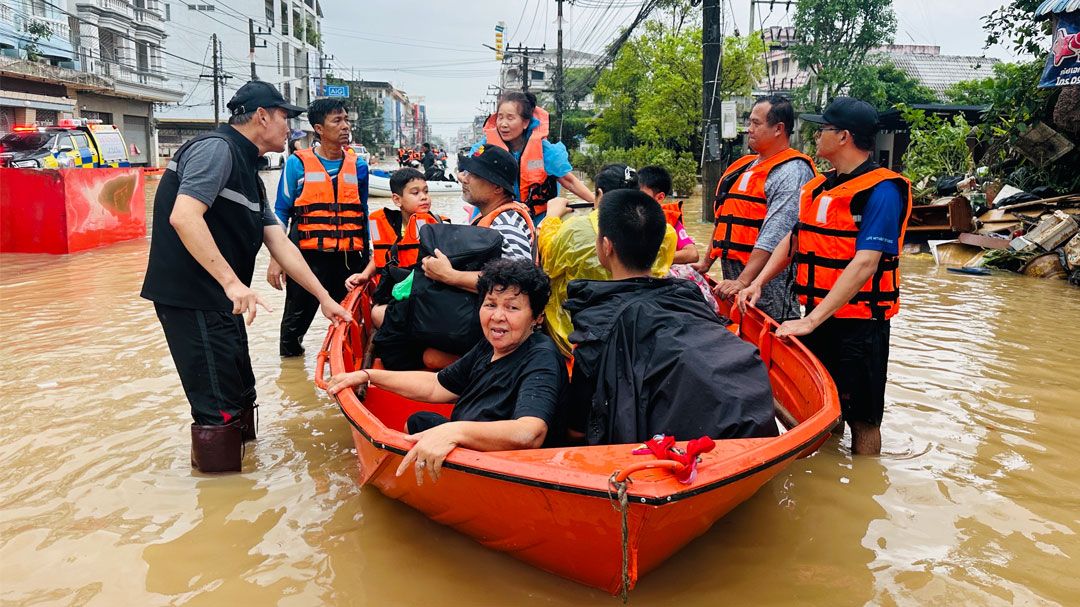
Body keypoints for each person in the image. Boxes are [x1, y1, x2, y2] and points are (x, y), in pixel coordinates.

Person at [141, 80, 352, 473]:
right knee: (218, 407)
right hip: (194, 297)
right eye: (285, 117)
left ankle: (246, 482)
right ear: (262, 117)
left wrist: (325, 298)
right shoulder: (216, 150)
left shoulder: (249, 171)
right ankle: (220, 492)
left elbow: (280, 243)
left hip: (223, 299)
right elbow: (184, 216)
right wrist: (232, 282)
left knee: (241, 392)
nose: (290, 128)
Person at [737, 97, 913, 456]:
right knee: (821, 411)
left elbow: (866, 263)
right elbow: (793, 241)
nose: (817, 136)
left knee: (862, 420)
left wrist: (811, 320)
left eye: (824, 129)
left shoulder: (882, 191)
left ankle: (863, 480)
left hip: (860, 327)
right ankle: (829, 475)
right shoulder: (820, 187)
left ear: (844, 136)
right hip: (817, 319)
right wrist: (757, 282)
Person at [563, 189, 777, 445]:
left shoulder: (597, 324)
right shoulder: (690, 295)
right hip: (747, 426)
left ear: (606, 246)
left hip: (665, 449)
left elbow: (577, 430)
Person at [326, 259, 567, 484]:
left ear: (537, 318)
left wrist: (454, 431)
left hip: (506, 468)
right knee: (419, 421)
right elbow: (436, 386)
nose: (497, 316)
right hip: (470, 440)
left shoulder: (541, 356)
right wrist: (368, 376)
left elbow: (529, 432)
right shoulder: (490, 346)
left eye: (512, 308)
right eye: (490, 304)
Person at [693, 94, 816, 322]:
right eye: (749, 122)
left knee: (770, 330)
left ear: (778, 129)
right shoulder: (744, 167)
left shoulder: (792, 171)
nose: (749, 129)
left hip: (771, 297)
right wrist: (706, 263)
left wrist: (744, 280)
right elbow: (723, 219)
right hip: (737, 287)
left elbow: (775, 234)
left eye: (756, 123)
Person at [539, 164, 678, 358]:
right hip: (637, 327)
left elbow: (549, 264)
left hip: (573, 335)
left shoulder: (574, 230)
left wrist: (550, 219)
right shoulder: (665, 230)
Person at [268, 97, 370, 357]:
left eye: (346, 120)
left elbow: (362, 213)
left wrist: (369, 260)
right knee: (293, 331)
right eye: (337, 121)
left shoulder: (359, 166)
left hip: (348, 260)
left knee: (354, 325)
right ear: (319, 129)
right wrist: (277, 258)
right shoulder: (297, 163)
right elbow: (281, 210)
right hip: (307, 259)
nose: (345, 126)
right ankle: (292, 372)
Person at [421, 144, 535, 294]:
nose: (464, 179)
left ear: (498, 188)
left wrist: (450, 275)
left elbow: (517, 282)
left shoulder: (507, 223)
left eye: (474, 175)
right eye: (467, 172)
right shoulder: (492, 216)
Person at [345, 167, 446, 327]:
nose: (424, 197)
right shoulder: (385, 223)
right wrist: (365, 275)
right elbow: (381, 257)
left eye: (426, 191)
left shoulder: (438, 225)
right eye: (415, 193)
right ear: (397, 200)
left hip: (426, 295)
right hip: (394, 293)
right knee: (377, 314)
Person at [471, 91, 594, 221]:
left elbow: (569, 181)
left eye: (510, 118)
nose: (503, 124)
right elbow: (468, 173)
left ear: (525, 122)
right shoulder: (486, 148)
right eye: (500, 117)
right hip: (496, 219)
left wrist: (596, 202)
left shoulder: (544, 150)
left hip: (536, 219)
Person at [637, 165, 699, 265]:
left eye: (640, 194)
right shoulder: (626, 215)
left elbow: (692, 254)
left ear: (660, 197)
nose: (634, 197)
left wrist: (652, 258)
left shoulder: (670, 220)